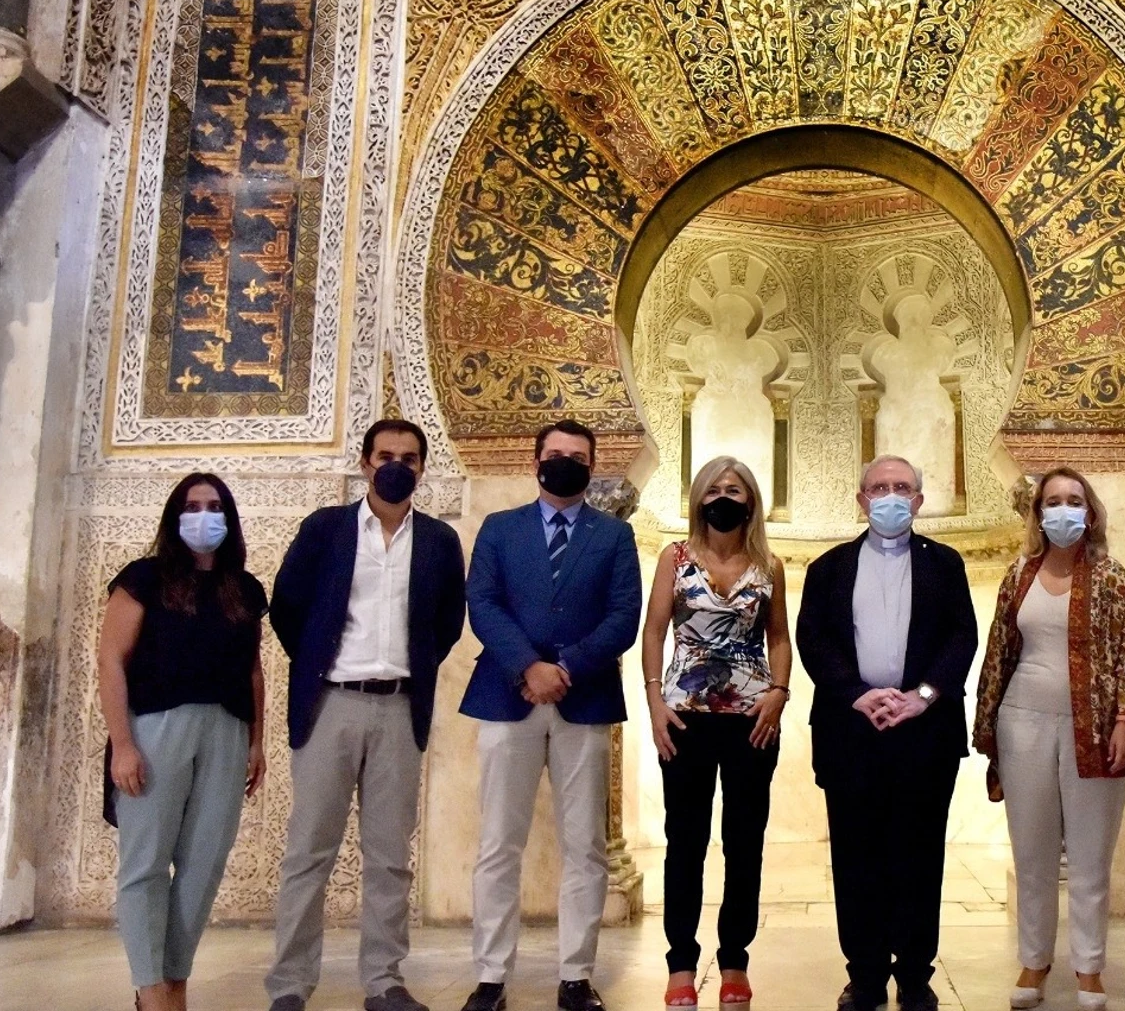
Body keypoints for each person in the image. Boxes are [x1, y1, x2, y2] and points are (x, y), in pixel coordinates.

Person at [264, 420, 469, 1011]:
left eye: (408, 457)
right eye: (386, 455)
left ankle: (383, 980)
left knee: (388, 855)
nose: (396, 465)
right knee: (309, 851)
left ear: (423, 468)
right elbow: (287, 609)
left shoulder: (437, 541)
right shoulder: (326, 529)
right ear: (364, 462)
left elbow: (446, 625)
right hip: (331, 703)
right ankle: (290, 985)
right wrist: (319, 661)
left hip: (400, 707)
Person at [458, 420, 643, 1011]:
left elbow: (623, 615)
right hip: (507, 696)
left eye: (577, 456)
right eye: (555, 454)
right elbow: (482, 604)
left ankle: (575, 975)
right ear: (536, 460)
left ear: (592, 466)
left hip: (582, 698)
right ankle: (490, 977)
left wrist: (566, 667)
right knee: (497, 843)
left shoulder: (613, 536)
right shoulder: (499, 529)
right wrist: (528, 667)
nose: (565, 462)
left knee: (585, 845)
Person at [796, 455, 979, 1011]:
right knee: (857, 858)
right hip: (851, 730)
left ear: (919, 501)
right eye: (880, 487)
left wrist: (922, 697)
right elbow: (814, 641)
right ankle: (866, 975)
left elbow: (961, 638)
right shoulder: (827, 568)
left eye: (902, 487)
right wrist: (858, 693)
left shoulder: (945, 564)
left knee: (920, 857)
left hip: (924, 733)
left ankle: (917, 975)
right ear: (861, 499)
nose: (891, 495)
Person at [972, 467, 1125, 1011]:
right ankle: (1034, 963)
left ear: (1089, 513)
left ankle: (1089, 969)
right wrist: (987, 729)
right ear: (1038, 513)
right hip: (1022, 723)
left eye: (1074, 500)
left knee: (1092, 856)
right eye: (1053, 501)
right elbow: (999, 651)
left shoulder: (1112, 576)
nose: (1064, 510)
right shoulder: (1017, 574)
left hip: (1093, 728)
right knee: (1033, 853)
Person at [99, 473, 267, 1011]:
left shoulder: (243, 588)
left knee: (203, 864)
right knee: (146, 862)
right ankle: (151, 991)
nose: (204, 515)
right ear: (175, 516)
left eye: (214, 506)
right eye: (193, 506)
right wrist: (122, 743)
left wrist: (256, 742)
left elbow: (254, 670)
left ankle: (175, 983)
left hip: (227, 729)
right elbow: (111, 661)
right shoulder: (142, 579)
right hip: (155, 728)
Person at [641, 456, 792, 1009]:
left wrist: (778, 693)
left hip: (753, 720)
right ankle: (681, 962)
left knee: (744, 842)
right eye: (714, 489)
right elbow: (654, 631)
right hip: (685, 716)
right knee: (685, 841)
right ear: (699, 498)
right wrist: (655, 701)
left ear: (750, 501)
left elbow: (779, 637)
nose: (723, 497)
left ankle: (734, 960)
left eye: (735, 489)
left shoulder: (767, 564)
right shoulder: (674, 558)